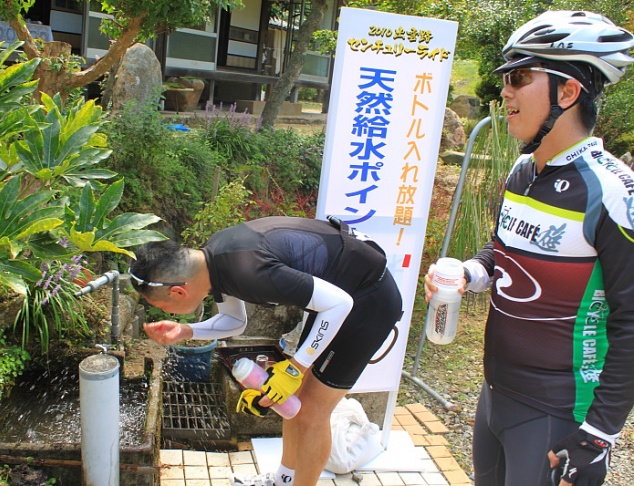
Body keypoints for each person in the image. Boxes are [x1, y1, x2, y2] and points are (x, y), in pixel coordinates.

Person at [424, 10, 634, 486]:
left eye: (520, 77)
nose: (505, 91)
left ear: (568, 91)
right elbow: (503, 252)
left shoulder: (614, 192)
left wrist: (599, 437)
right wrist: (468, 273)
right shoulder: (523, 172)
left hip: (558, 411)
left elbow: (631, 322)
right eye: (506, 79)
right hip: (496, 393)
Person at [129, 216, 403, 486]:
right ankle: (283, 481)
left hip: (367, 301)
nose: (165, 313)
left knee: (311, 413)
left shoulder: (249, 269)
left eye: (163, 307)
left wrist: (296, 367)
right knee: (294, 402)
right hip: (337, 302)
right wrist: (188, 331)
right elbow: (236, 322)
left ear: (178, 292)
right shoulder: (214, 259)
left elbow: (340, 304)